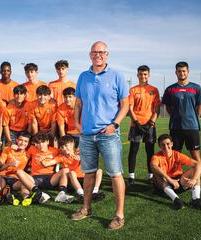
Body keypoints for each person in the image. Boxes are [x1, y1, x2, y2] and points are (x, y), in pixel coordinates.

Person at [72, 41, 129, 230]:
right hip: (87, 135)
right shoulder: (83, 76)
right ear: (90, 55)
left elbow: (125, 105)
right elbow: (78, 103)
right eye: (95, 52)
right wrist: (77, 123)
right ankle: (86, 208)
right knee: (88, 175)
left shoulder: (117, 76)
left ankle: (119, 215)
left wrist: (115, 124)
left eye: (101, 52)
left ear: (107, 55)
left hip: (108, 135)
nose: (98, 55)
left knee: (115, 175)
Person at [162, 61, 201, 163]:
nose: (182, 73)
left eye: (184, 71)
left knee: (195, 156)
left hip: (192, 127)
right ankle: (176, 178)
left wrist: (194, 118)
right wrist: (175, 116)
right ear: (176, 72)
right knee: (174, 156)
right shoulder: (170, 89)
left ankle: (197, 179)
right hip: (175, 127)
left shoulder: (196, 88)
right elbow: (168, 107)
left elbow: (200, 106)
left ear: (188, 71)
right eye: (179, 71)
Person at [150, 134, 201, 210]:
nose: (166, 147)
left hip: (178, 183)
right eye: (163, 145)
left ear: (172, 144)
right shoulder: (156, 156)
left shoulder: (177, 155)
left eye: (168, 144)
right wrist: (169, 179)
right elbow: (153, 166)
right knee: (156, 173)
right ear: (159, 146)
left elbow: (199, 165)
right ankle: (176, 199)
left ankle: (195, 199)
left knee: (196, 171)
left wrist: (194, 179)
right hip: (163, 185)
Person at [127, 65, 161, 186]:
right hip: (135, 125)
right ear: (137, 75)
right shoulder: (133, 90)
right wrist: (136, 123)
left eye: (145, 74)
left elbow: (157, 108)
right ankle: (131, 176)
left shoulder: (154, 90)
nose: (143, 76)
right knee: (133, 150)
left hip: (150, 125)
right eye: (141, 74)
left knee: (150, 151)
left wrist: (151, 122)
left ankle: (151, 176)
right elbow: (130, 108)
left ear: (149, 75)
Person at [27, 131, 75, 203]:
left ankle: (61, 194)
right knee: (20, 178)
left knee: (65, 170)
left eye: (43, 142)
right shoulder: (32, 149)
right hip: (35, 178)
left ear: (47, 142)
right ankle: (27, 198)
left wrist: (72, 151)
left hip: (50, 178)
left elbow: (65, 149)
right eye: (38, 143)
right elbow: (23, 155)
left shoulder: (55, 150)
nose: (41, 145)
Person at [0, 132, 42, 206]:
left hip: (15, 180)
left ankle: (26, 198)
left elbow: (38, 147)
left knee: (23, 183)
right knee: (2, 183)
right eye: (21, 140)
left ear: (28, 144)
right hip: (3, 176)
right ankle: (6, 195)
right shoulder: (8, 150)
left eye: (26, 141)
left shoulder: (27, 153)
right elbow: (0, 168)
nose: (22, 143)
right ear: (16, 140)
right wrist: (10, 164)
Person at [56, 135, 104, 201]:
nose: (64, 148)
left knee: (99, 170)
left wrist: (81, 159)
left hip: (84, 178)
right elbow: (51, 161)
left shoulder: (79, 153)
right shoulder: (61, 157)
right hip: (72, 180)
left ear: (72, 144)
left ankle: (94, 192)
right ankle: (81, 194)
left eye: (66, 146)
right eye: (62, 147)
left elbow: (91, 163)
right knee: (72, 173)